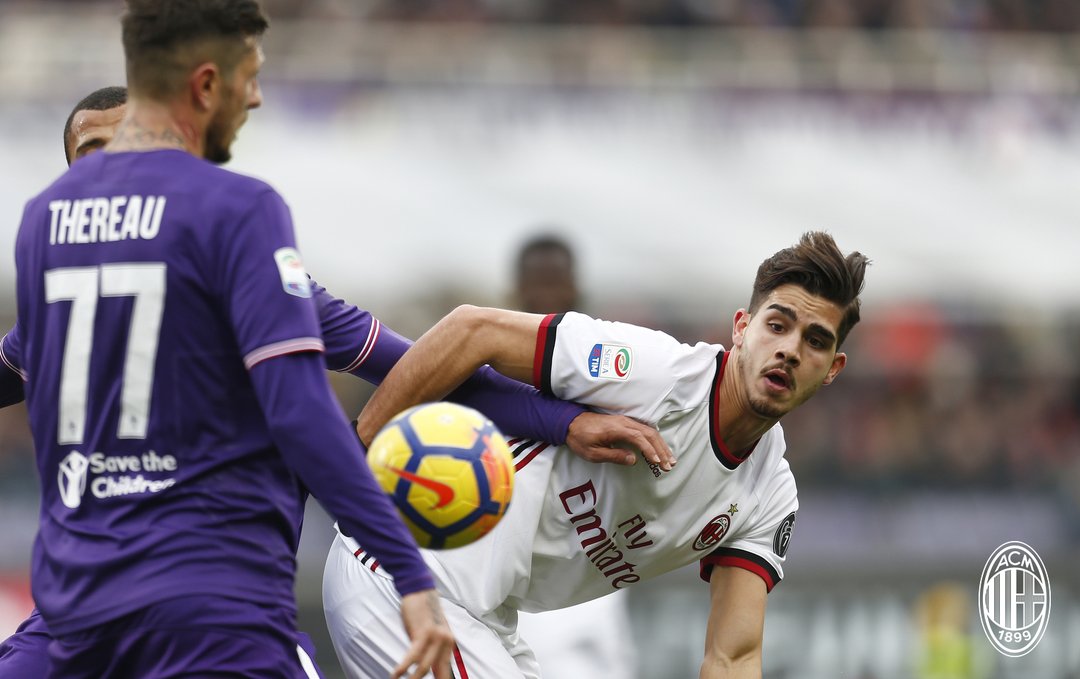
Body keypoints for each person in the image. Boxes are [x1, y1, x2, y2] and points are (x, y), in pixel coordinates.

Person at [1, 73, 671, 677]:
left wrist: (564, 420)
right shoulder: (56, 305)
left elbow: (435, 371)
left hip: (219, 608)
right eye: (92, 153)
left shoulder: (260, 282)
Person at [11, 0, 458, 679]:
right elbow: (301, 413)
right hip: (212, 606)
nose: (254, 98)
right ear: (206, 83)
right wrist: (409, 573)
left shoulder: (44, 220)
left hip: (79, 612)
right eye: (250, 76)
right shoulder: (237, 209)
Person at [323, 231, 868, 679]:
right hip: (405, 575)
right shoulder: (657, 373)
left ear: (833, 369)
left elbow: (734, 658)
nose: (790, 350)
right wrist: (354, 451)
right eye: (777, 325)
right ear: (742, 329)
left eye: (815, 341)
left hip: (486, 618)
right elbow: (472, 329)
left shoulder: (770, 497)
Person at [511, 234, 637, 679]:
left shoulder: (611, 371)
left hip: (591, 569)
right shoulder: (486, 374)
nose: (547, 293)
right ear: (517, 290)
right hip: (510, 577)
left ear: (575, 289)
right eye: (537, 280)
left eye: (556, 280)